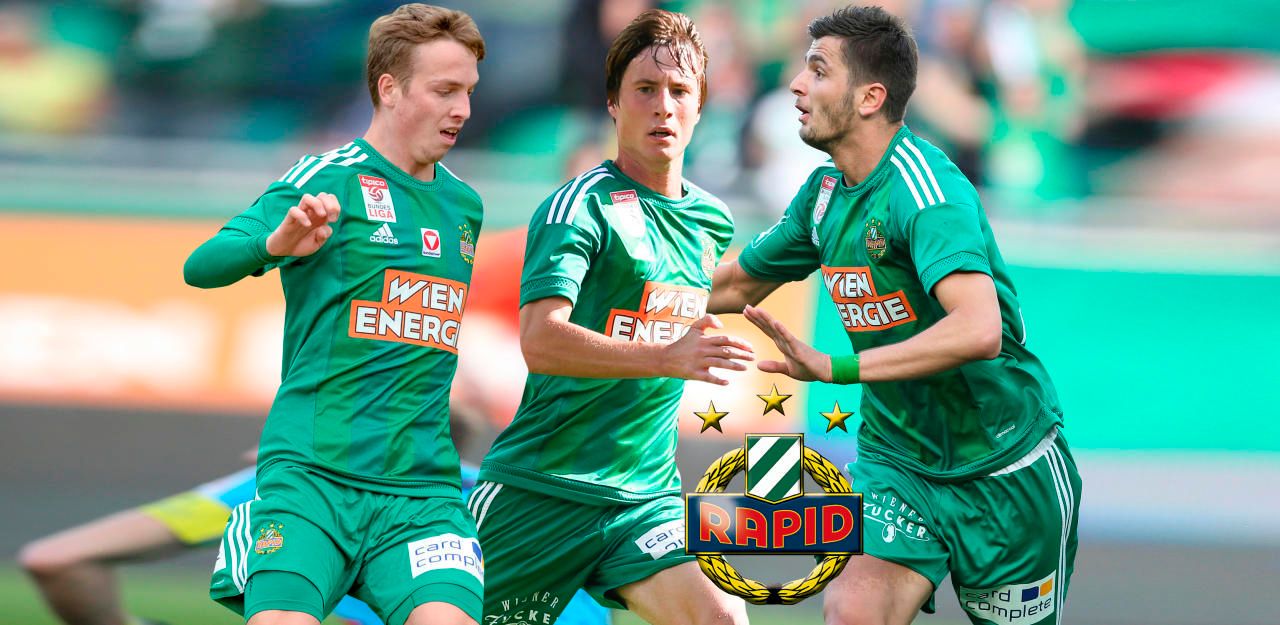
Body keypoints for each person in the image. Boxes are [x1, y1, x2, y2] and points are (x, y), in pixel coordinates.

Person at [708, 6, 1081, 625]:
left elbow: (979, 330)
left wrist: (837, 368)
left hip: (1004, 467)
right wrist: (625, 288)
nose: (796, 86)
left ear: (869, 97)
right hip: (896, 465)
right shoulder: (823, 196)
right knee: (852, 613)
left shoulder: (925, 190)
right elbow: (736, 284)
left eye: (817, 72)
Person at [182, 5, 487, 625]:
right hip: (313, 479)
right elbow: (201, 265)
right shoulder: (329, 178)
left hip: (422, 493)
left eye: (469, 92)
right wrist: (274, 245)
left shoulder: (464, 204)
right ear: (389, 89)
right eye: (445, 90)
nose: (462, 109)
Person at [472, 9, 752, 625]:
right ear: (613, 103)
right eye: (644, 89)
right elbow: (540, 340)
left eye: (679, 91)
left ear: (700, 105)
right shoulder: (578, 206)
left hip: (644, 499)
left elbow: (696, 292)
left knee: (722, 619)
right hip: (541, 490)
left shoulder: (712, 220)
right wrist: (665, 357)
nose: (663, 107)